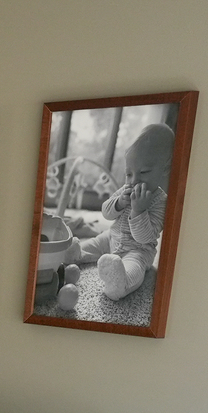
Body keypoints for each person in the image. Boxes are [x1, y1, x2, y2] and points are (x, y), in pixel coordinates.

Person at [65, 123, 174, 301]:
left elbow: (145, 237)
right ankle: (74, 253)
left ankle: (120, 282)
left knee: (135, 268)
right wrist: (119, 202)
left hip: (138, 250)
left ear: (165, 169)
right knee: (94, 242)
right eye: (128, 174)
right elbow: (106, 213)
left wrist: (139, 210)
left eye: (144, 172)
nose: (134, 180)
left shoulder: (161, 201)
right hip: (111, 238)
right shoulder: (126, 189)